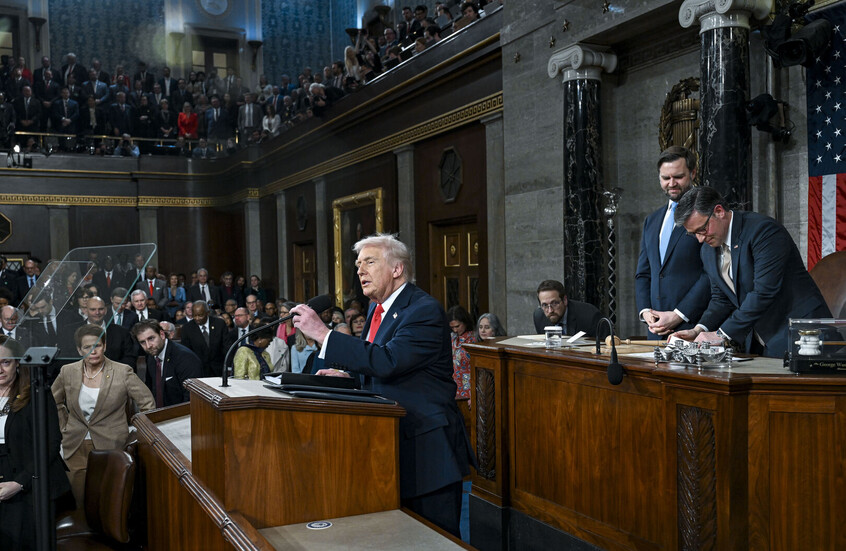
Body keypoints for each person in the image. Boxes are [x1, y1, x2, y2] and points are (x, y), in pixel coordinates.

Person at [291, 233, 474, 537]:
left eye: (369, 262)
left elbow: (390, 361)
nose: (360, 271)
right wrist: (350, 378)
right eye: (358, 264)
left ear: (397, 269)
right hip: (389, 446)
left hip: (426, 450)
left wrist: (324, 335)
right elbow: (385, 368)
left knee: (434, 539)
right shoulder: (378, 309)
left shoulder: (422, 310)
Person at [671, 186, 832, 357]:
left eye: (702, 229)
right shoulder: (708, 250)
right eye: (693, 233)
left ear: (719, 211)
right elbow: (721, 299)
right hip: (760, 341)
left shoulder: (764, 231)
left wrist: (721, 335)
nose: (700, 239)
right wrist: (698, 330)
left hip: (803, 335)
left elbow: (764, 292)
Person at [51, 324, 155, 506]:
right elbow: (53, 402)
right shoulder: (68, 371)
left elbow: (147, 404)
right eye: (86, 347)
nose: (93, 351)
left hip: (111, 444)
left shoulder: (122, 371)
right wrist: (64, 425)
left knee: (107, 503)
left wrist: (138, 435)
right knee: (80, 502)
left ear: (104, 346)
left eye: (97, 345)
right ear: (78, 349)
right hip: (75, 444)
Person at [0, 336, 70, 549]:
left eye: (5, 362)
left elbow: (50, 444)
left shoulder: (37, 392)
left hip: (32, 479)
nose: (0, 369)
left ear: (18, 362)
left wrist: (20, 483)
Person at [635, 147, 710, 339]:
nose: (672, 184)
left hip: (694, 327)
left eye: (678, 176)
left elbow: (712, 274)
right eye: (665, 178)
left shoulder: (706, 213)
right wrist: (645, 312)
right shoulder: (651, 221)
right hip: (656, 330)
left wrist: (678, 315)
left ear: (693, 173)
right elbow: (644, 273)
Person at [132, 319, 203, 407]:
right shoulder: (152, 354)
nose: (148, 346)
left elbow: (191, 399)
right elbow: (151, 389)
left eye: (151, 338)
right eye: (143, 342)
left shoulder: (185, 358)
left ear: (162, 334)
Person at [532, 280, 606, 338]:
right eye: (544, 305)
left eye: (554, 303)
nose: (550, 310)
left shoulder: (590, 315)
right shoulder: (539, 317)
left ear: (565, 300)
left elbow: (606, 347)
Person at [447, 305, 475, 404]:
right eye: (452, 327)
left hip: (470, 390)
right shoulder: (451, 338)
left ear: (465, 322)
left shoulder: (474, 340)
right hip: (453, 390)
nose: (455, 330)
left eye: (457, 326)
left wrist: (475, 395)